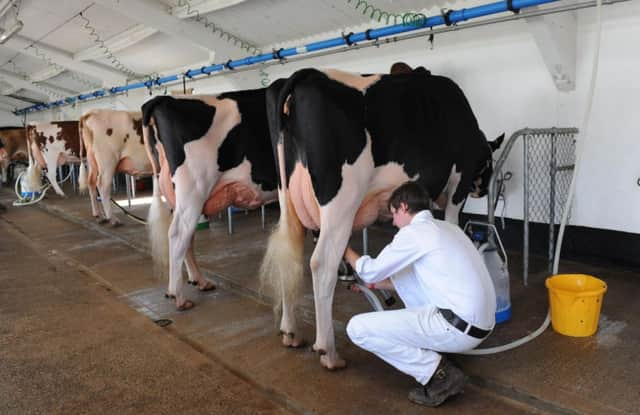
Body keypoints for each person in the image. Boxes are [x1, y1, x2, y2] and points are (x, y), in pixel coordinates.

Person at [343, 181, 496, 407]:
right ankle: (440, 350)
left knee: (356, 329)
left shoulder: (414, 233)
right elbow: (411, 280)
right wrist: (372, 286)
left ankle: (438, 375)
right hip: (480, 324)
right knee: (409, 271)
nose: (394, 222)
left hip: (457, 328)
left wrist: (343, 248)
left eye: (394, 214)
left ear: (404, 207)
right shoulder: (447, 228)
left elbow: (371, 270)